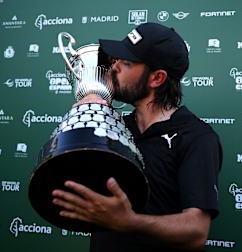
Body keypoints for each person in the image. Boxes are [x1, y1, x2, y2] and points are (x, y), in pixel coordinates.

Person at [52, 22, 222, 252]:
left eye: (127, 62)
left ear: (156, 78)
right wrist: (86, 114)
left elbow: (196, 231)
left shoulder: (196, 137)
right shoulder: (112, 125)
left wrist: (128, 221)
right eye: (116, 59)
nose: (114, 66)